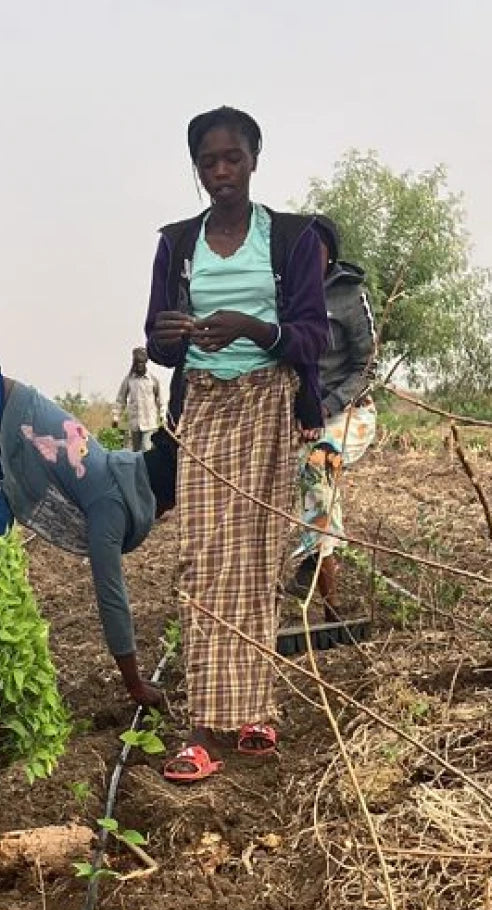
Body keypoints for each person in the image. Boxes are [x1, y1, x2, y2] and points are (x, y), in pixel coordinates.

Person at [144, 106, 328, 781]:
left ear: (254, 160)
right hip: (207, 408)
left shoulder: (291, 238)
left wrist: (249, 326)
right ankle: (200, 727)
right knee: (203, 560)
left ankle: (253, 710)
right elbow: (159, 341)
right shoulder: (176, 243)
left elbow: (312, 334)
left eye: (232, 159)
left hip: (269, 403)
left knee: (255, 556)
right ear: (196, 168)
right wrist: (173, 335)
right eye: (208, 162)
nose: (220, 172)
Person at [0, 370, 176, 708]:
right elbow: (111, 595)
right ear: (163, 501)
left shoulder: (117, 473)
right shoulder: (110, 504)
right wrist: (135, 684)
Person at [290, 215, 378, 621]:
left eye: (317, 247)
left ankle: (319, 576)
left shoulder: (349, 295)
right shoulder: (285, 295)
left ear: (330, 253)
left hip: (351, 412)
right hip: (303, 419)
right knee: (316, 488)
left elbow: (367, 363)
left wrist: (332, 404)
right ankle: (327, 601)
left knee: (319, 463)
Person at [113, 347, 164, 451]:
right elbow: (120, 400)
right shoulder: (129, 380)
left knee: (146, 448)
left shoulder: (153, 380)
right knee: (136, 452)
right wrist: (116, 416)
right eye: (137, 363)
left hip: (149, 422)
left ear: (145, 363)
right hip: (134, 423)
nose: (139, 365)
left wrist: (163, 416)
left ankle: (147, 467)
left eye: (141, 363)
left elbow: (161, 400)